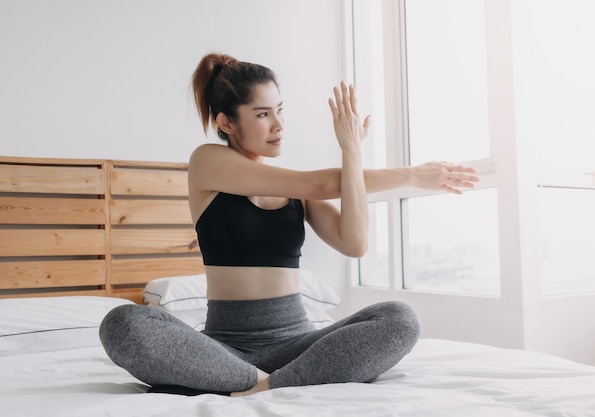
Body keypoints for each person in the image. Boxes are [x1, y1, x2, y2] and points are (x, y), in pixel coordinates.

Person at [99, 52, 479, 397]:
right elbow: (318, 182)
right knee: (124, 323)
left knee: (399, 318)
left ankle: (263, 383)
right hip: (224, 346)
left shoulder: (296, 187)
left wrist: (352, 150)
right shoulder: (207, 162)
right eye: (262, 114)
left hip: (298, 341)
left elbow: (355, 243)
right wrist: (411, 175)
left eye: (280, 110)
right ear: (226, 122)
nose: (278, 125)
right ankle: (273, 379)